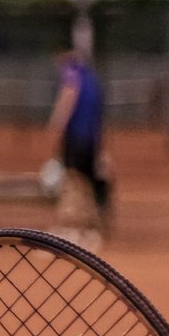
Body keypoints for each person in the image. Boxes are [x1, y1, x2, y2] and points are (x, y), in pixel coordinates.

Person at [45, 47, 110, 231]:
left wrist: (56, 124)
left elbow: (68, 98)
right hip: (92, 139)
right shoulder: (92, 79)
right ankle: (93, 220)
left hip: (76, 137)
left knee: (72, 179)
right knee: (89, 179)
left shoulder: (71, 74)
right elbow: (100, 117)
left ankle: (71, 222)